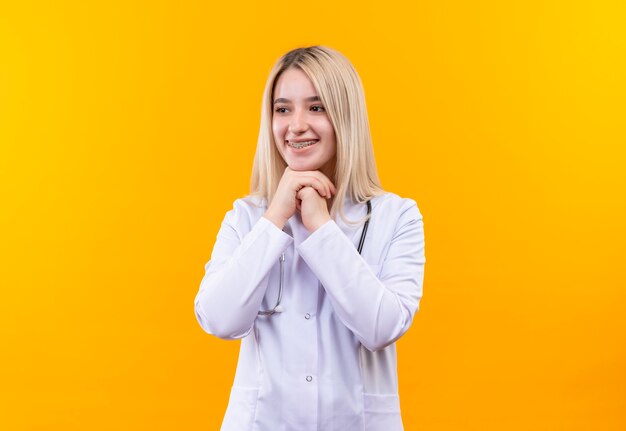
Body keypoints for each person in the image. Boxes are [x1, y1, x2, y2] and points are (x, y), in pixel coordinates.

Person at [194, 45, 426, 431]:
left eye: (316, 108)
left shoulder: (396, 216)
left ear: (345, 118)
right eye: (283, 109)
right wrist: (274, 219)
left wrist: (322, 228)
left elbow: (381, 328)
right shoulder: (248, 217)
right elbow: (218, 319)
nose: (296, 125)